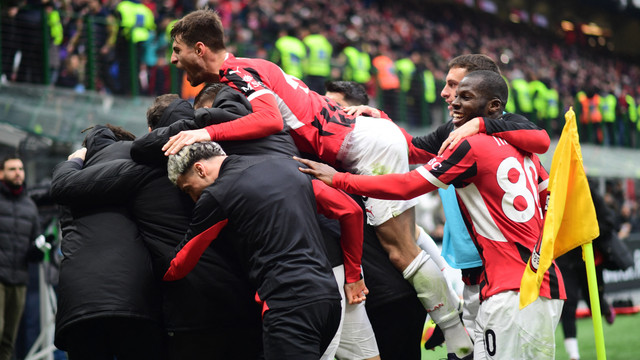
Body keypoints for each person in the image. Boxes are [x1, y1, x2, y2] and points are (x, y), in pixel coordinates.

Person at [163, 10, 472, 358]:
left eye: (177, 49)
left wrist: (205, 131)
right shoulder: (255, 66)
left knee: (401, 249)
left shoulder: (238, 73)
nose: (173, 59)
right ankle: (456, 331)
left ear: (200, 48)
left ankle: (458, 341)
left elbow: (269, 119)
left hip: (362, 147)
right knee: (407, 239)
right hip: (365, 139)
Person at [297, 70, 566, 360]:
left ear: (493, 106)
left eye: (464, 94)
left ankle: (451, 327)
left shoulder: (470, 144)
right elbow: (549, 198)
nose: (452, 100)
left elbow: (408, 185)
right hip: (537, 281)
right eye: (454, 91)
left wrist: (339, 180)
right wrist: (380, 120)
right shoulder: (521, 146)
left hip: (511, 287)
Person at [164, 141, 343, 360]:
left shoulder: (218, 194)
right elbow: (350, 210)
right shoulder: (284, 165)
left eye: (189, 189)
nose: (193, 199)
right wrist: (353, 275)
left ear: (200, 169)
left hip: (288, 304)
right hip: (329, 299)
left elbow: (178, 265)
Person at [50, 125, 166, 360]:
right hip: (134, 297)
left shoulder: (69, 184)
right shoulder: (139, 171)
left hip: (78, 302)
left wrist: (72, 162)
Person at [556, 179, 617, 360]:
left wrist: (587, 232)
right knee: (567, 305)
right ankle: (574, 355)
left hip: (589, 258)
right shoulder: (556, 192)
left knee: (594, 303)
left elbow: (608, 221)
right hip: (566, 259)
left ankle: (604, 306)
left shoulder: (589, 191)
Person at [0, 155, 42, 360]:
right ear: (1, 174)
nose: (18, 173)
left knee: (9, 338)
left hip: (19, 280)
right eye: (12, 169)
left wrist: (39, 249)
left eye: (21, 169)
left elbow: (36, 241)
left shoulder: (30, 206)